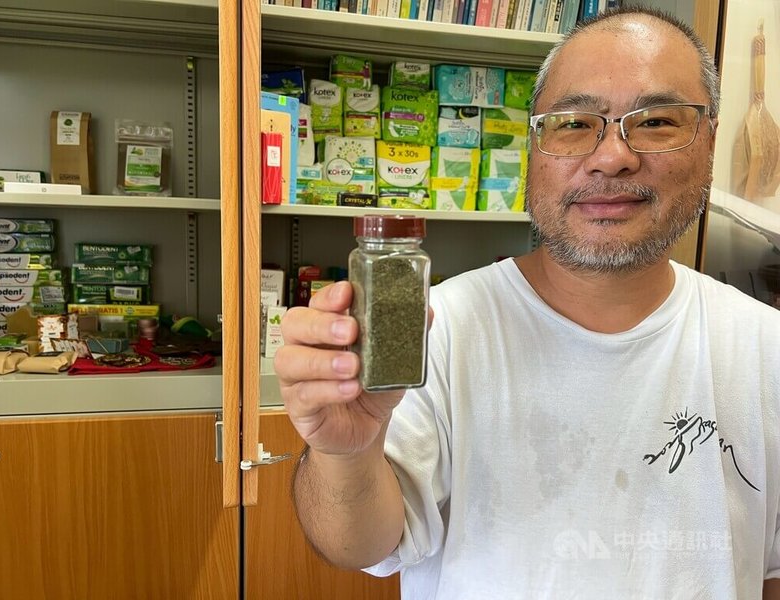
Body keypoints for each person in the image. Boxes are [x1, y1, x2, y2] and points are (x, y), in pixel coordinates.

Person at [274, 7, 780, 599]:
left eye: (657, 121)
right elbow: (359, 545)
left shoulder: (766, 348)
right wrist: (345, 453)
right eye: (573, 123)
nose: (611, 155)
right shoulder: (440, 331)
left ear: (710, 141)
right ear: (535, 145)